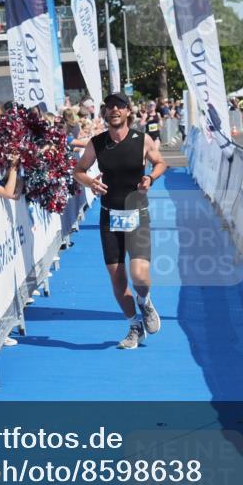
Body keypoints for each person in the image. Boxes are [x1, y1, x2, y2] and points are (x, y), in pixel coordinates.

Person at [73, 92, 168, 350]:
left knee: (139, 274)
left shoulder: (142, 140)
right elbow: (78, 170)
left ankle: (145, 302)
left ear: (128, 112)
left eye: (120, 106)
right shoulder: (97, 143)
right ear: (105, 113)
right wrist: (90, 182)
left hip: (137, 213)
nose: (114, 110)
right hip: (109, 215)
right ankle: (134, 325)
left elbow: (160, 163)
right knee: (117, 279)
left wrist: (150, 178)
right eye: (110, 106)